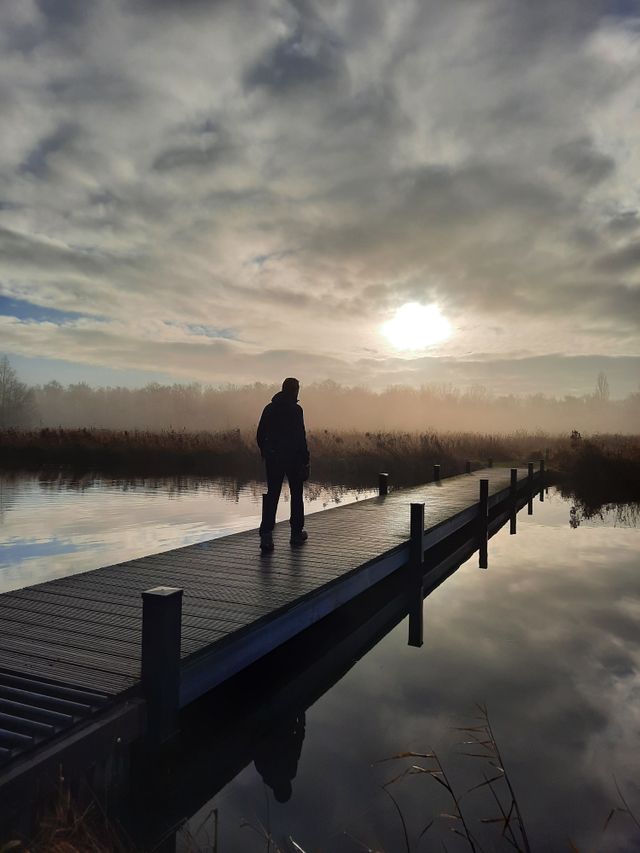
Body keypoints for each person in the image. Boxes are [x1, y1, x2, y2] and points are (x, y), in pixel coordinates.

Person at [257, 377, 310, 551]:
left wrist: (266, 452)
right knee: (296, 495)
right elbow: (301, 437)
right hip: (294, 459)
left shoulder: (270, 409)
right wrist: (305, 459)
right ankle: (296, 534)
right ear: (295, 390)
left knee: (272, 495)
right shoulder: (296, 410)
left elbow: (260, 434)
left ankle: (266, 536)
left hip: (273, 459)